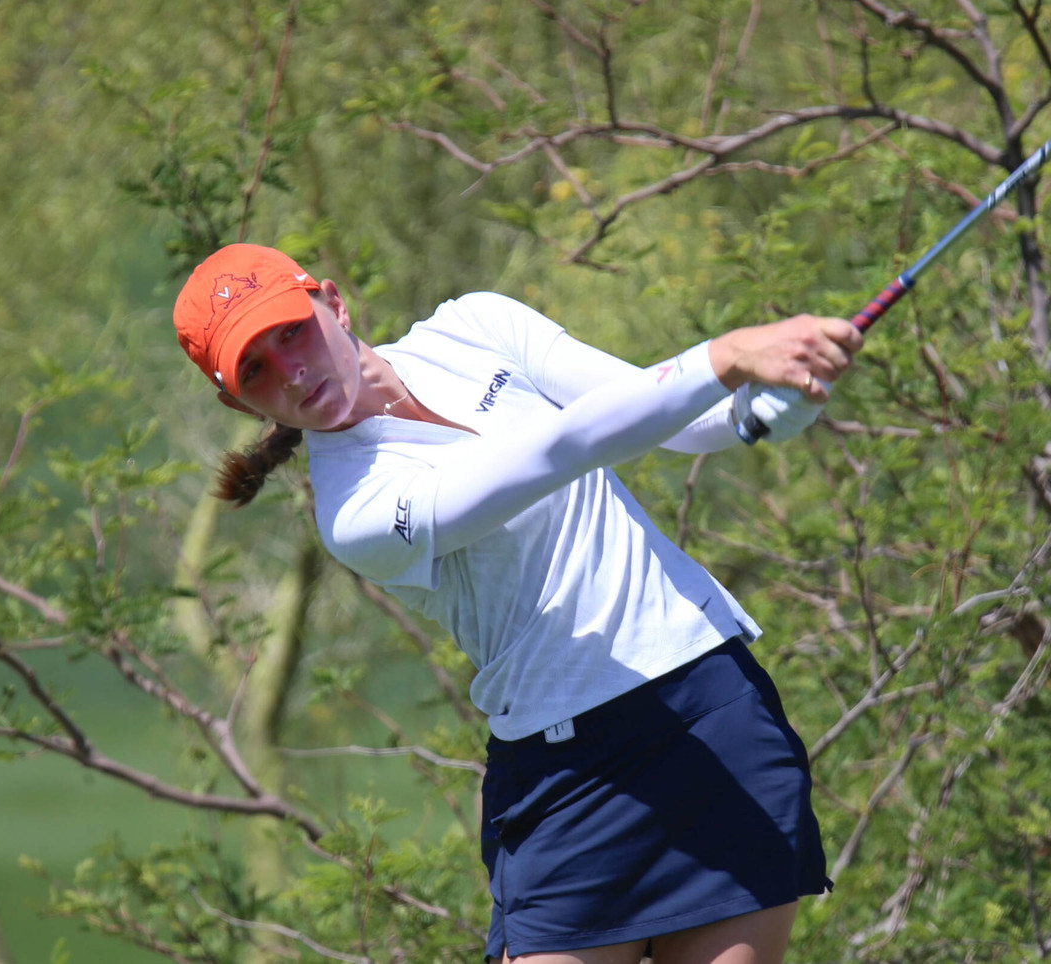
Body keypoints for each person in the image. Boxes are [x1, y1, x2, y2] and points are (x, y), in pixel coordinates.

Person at [173, 243, 865, 964]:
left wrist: (760, 409)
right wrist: (726, 355)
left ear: (335, 305)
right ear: (237, 401)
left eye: (293, 331)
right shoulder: (356, 512)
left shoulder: (474, 326)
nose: (292, 369)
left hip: (712, 711)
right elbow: (557, 451)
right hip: (569, 779)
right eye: (256, 368)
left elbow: (679, 418)